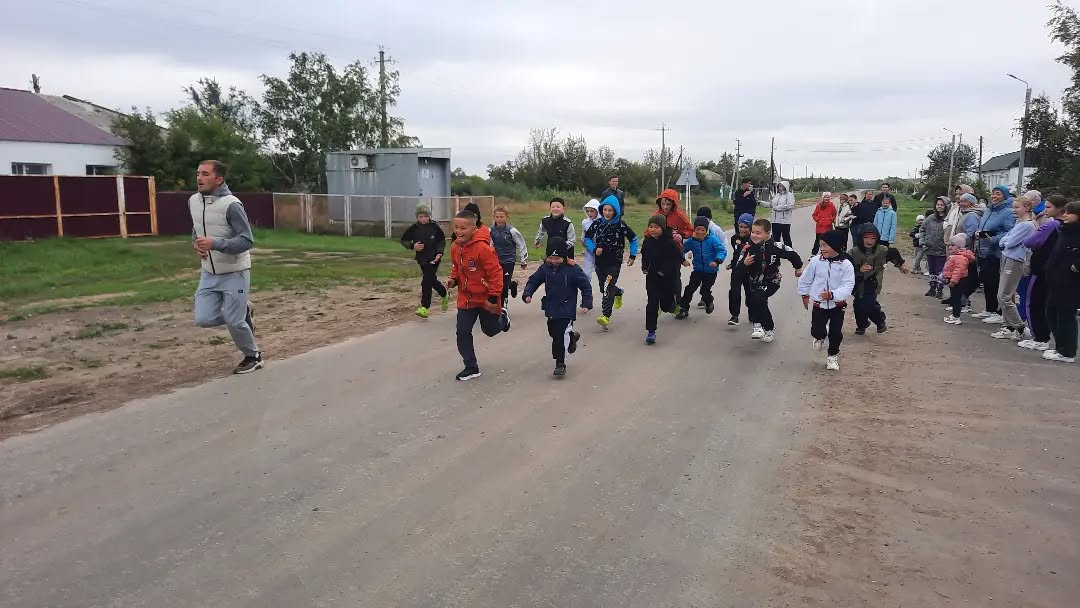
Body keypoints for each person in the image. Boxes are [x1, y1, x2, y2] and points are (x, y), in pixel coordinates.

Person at [189, 160, 262, 374]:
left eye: (205, 174)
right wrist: (196, 244)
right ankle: (243, 312)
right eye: (198, 173)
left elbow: (247, 240)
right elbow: (197, 229)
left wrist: (215, 244)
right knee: (203, 319)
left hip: (234, 271)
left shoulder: (232, 205)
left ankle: (253, 356)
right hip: (209, 272)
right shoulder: (193, 201)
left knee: (234, 321)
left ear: (219, 179)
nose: (199, 178)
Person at [448, 209, 507, 381]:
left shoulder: (483, 248)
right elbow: (456, 267)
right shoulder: (454, 247)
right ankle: (471, 367)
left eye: (463, 228)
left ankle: (503, 319)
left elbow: (496, 273)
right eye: (456, 227)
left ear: (474, 229)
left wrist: (493, 296)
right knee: (462, 331)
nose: (459, 231)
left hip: (486, 298)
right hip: (466, 298)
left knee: (490, 330)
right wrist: (453, 279)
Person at [521, 237, 593, 377]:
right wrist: (528, 293)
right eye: (551, 258)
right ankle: (571, 338)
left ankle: (560, 363)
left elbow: (585, 286)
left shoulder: (573, 269)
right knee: (554, 333)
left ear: (564, 257)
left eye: (557, 258)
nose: (554, 261)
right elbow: (533, 281)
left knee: (560, 335)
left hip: (567, 308)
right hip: (551, 307)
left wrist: (586, 303)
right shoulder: (545, 268)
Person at [731, 218, 804, 343]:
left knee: (758, 297)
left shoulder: (776, 246)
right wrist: (745, 263)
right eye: (753, 232)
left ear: (768, 233)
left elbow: (792, 254)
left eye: (758, 233)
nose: (754, 235)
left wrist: (798, 267)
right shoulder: (747, 248)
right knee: (755, 300)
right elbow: (737, 269)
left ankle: (759, 325)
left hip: (772, 280)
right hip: (754, 281)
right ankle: (767, 327)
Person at [797, 230, 856, 371]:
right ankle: (820, 336)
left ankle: (832, 356)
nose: (822, 248)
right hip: (819, 304)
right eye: (820, 245)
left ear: (835, 245)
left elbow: (848, 285)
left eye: (825, 245)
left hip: (838, 305)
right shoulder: (816, 261)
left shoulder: (846, 265)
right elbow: (806, 278)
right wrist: (804, 294)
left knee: (836, 333)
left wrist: (833, 295)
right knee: (816, 330)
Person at [584, 195, 638, 330]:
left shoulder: (621, 225)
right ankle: (618, 292)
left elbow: (633, 239)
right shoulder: (597, 223)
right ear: (601, 210)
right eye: (605, 210)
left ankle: (605, 316)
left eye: (610, 210)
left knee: (607, 288)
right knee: (604, 288)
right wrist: (594, 249)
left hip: (614, 263)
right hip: (599, 262)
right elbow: (587, 238)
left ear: (615, 211)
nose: (607, 213)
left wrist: (632, 255)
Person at [1020, 195, 1066, 351]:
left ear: (1060, 209)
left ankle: (1039, 337)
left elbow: (1030, 241)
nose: (1045, 210)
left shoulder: (1051, 225)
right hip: (1056, 270)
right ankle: (1044, 336)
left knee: (1034, 302)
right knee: (1047, 305)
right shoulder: (1067, 226)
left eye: (1048, 207)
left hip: (1041, 268)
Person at [990, 194, 1037, 340]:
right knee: (1007, 295)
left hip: (1015, 260)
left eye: (1017, 207)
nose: (1014, 210)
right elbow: (1004, 240)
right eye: (1013, 207)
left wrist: (1006, 241)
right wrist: (1006, 241)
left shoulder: (1027, 225)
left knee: (1003, 295)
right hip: (1006, 257)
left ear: (1026, 208)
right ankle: (1008, 326)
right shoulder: (1019, 223)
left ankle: (1019, 326)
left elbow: (1009, 242)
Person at [848, 223, 909, 335]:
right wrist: (859, 270)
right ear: (860, 238)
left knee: (869, 303)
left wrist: (901, 265)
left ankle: (880, 321)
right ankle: (862, 325)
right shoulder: (853, 252)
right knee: (858, 305)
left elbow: (894, 253)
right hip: (858, 283)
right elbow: (846, 268)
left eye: (873, 238)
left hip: (873, 282)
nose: (869, 241)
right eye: (866, 237)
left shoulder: (881, 250)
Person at [640, 214, 690, 344]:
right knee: (652, 304)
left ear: (662, 228)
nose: (653, 229)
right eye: (651, 227)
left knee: (666, 306)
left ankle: (671, 305)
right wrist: (644, 267)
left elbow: (676, 256)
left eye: (656, 227)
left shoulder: (669, 242)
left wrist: (683, 261)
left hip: (667, 279)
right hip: (652, 278)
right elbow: (645, 256)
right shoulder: (647, 242)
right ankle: (651, 331)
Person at [970, 185, 1016, 324]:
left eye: (998, 194)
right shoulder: (989, 210)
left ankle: (999, 312)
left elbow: (1010, 231)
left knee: (995, 281)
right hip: (983, 249)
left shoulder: (1008, 212)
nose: (994, 196)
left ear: (1005, 196)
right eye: (993, 193)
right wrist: (979, 233)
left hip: (997, 252)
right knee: (986, 280)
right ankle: (989, 309)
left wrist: (994, 238)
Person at [1041, 201, 1080, 363]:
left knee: (1065, 315)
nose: (1065, 215)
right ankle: (1060, 347)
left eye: (1069, 213)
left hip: (1070, 282)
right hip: (1056, 279)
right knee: (1051, 312)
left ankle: (1067, 352)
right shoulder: (1066, 230)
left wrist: (1076, 266)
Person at [400, 204, 449, 318]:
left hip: (434, 258)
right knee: (431, 280)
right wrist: (413, 246)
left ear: (429, 216)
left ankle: (425, 308)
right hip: (422, 259)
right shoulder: (414, 228)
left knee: (426, 281)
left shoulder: (434, 227)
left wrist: (439, 253)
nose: (423, 219)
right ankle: (444, 293)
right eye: (421, 217)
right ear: (417, 217)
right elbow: (404, 240)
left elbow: (441, 241)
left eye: (426, 216)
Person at [676, 216, 728, 319]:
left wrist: (717, 260)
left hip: (711, 271)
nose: (700, 232)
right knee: (689, 289)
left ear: (707, 230)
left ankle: (709, 301)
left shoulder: (712, 239)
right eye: (698, 229)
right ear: (694, 229)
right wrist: (682, 260)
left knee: (704, 291)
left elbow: (722, 250)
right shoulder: (692, 240)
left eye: (703, 230)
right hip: (698, 270)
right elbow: (681, 250)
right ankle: (684, 309)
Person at [490, 206, 529, 310]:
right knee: (496, 283)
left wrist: (524, 260)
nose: (499, 219)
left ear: (507, 217)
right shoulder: (490, 231)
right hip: (495, 262)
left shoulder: (512, 231)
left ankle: (503, 305)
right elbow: (488, 245)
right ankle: (512, 284)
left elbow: (521, 244)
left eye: (502, 217)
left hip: (508, 261)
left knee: (503, 284)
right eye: (497, 217)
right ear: (493, 217)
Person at [942, 234, 977, 324]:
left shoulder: (959, 258)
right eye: (950, 245)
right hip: (955, 279)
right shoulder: (956, 256)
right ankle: (955, 315)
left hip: (957, 281)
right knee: (955, 297)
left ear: (960, 247)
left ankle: (956, 317)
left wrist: (953, 281)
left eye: (953, 245)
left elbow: (958, 271)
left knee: (956, 298)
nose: (950, 247)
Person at [727, 213, 754, 326]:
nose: (742, 229)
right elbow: (736, 253)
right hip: (737, 270)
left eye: (746, 227)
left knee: (750, 294)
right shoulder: (734, 238)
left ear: (751, 227)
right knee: (734, 292)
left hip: (750, 271)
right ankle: (734, 316)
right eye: (740, 226)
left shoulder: (754, 240)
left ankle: (752, 313)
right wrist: (733, 263)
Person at [920, 197, 949, 298]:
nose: (939, 207)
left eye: (942, 205)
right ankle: (932, 288)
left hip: (942, 250)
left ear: (946, 206)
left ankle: (940, 289)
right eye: (938, 205)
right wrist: (923, 242)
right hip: (930, 248)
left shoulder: (948, 219)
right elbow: (922, 230)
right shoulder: (930, 218)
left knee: (940, 271)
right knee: (932, 270)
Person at [534, 197, 576, 262]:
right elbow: (541, 231)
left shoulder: (567, 223)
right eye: (553, 207)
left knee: (566, 268)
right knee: (549, 267)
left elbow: (572, 240)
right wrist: (537, 240)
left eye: (558, 207)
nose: (555, 209)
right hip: (550, 251)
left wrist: (560, 247)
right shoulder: (545, 221)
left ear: (563, 209)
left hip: (566, 253)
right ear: (550, 209)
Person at [763, 180, 796, 247]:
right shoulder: (777, 195)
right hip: (775, 220)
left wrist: (778, 208)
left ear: (785, 187)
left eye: (781, 186)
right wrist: (762, 203)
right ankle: (776, 252)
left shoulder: (789, 195)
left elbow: (790, 205)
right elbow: (771, 204)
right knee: (775, 238)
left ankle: (789, 251)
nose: (780, 188)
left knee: (786, 237)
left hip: (784, 221)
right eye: (779, 186)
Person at [580, 199, 601, 283]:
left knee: (602, 274)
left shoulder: (603, 222)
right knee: (586, 273)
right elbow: (583, 233)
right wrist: (582, 239)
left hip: (600, 251)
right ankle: (586, 289)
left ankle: (614, 289)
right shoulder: (585, 222)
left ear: (597, 211)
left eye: (592, 211)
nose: (589, 213)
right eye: (588, 211)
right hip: (589, 250)